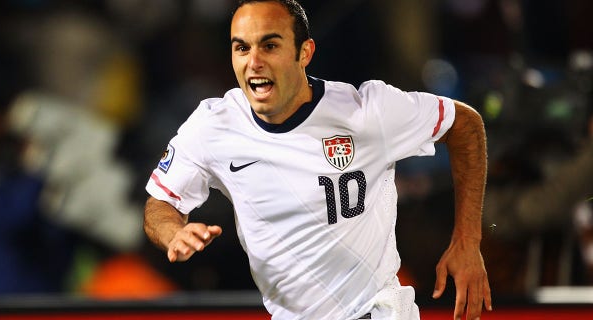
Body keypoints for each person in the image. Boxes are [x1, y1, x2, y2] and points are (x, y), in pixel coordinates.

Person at [143, 0, 492, 319]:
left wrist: (467, 240)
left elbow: (465, 124)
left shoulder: (366, 112)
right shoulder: (213, 126)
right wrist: (173, 232)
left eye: (270, 45)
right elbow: (160, 203)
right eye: (242, 48)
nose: (254, 62)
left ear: (304, 52)